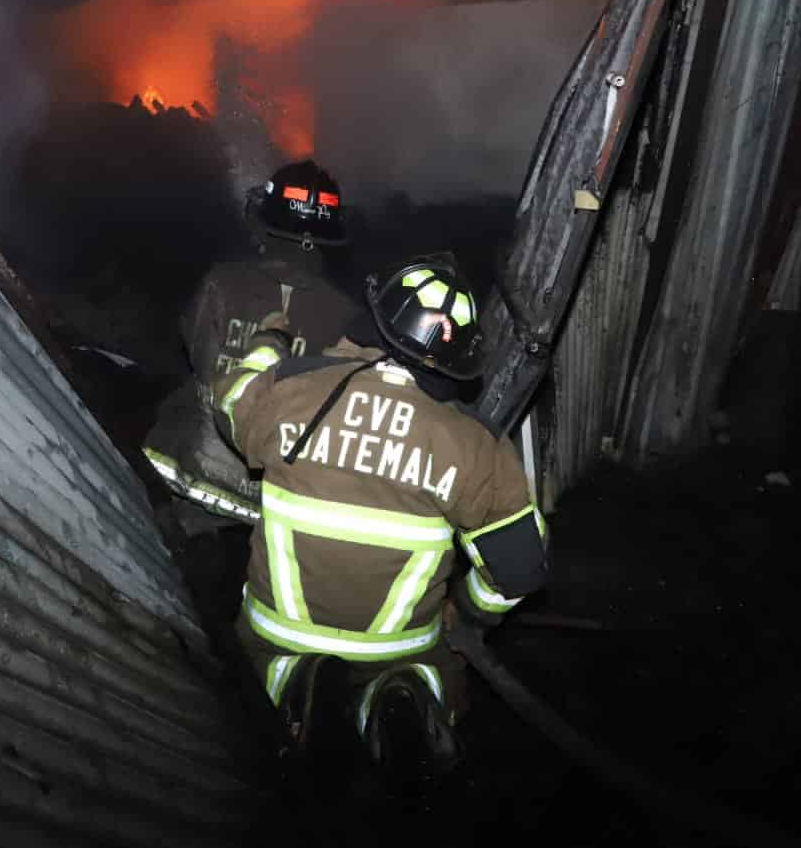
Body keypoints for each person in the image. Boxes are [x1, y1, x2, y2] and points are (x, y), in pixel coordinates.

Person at [211, 251, 548, 773]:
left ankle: (291, 688)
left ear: (376, 319)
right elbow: (522, 568)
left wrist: (268, 344)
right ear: (456, 360)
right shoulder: (474, 444)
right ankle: (405, 695)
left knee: (262, 662)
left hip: (279, 628)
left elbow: (230, 400)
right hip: (395, 643)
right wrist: (469, 608)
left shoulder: (291, 391)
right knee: (433, 669)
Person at [142, 159, 363, 524]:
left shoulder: (222, 283)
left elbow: (196, 352)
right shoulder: (348, 318)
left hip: (193, 480)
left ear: (266, 221)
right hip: (276, 509)